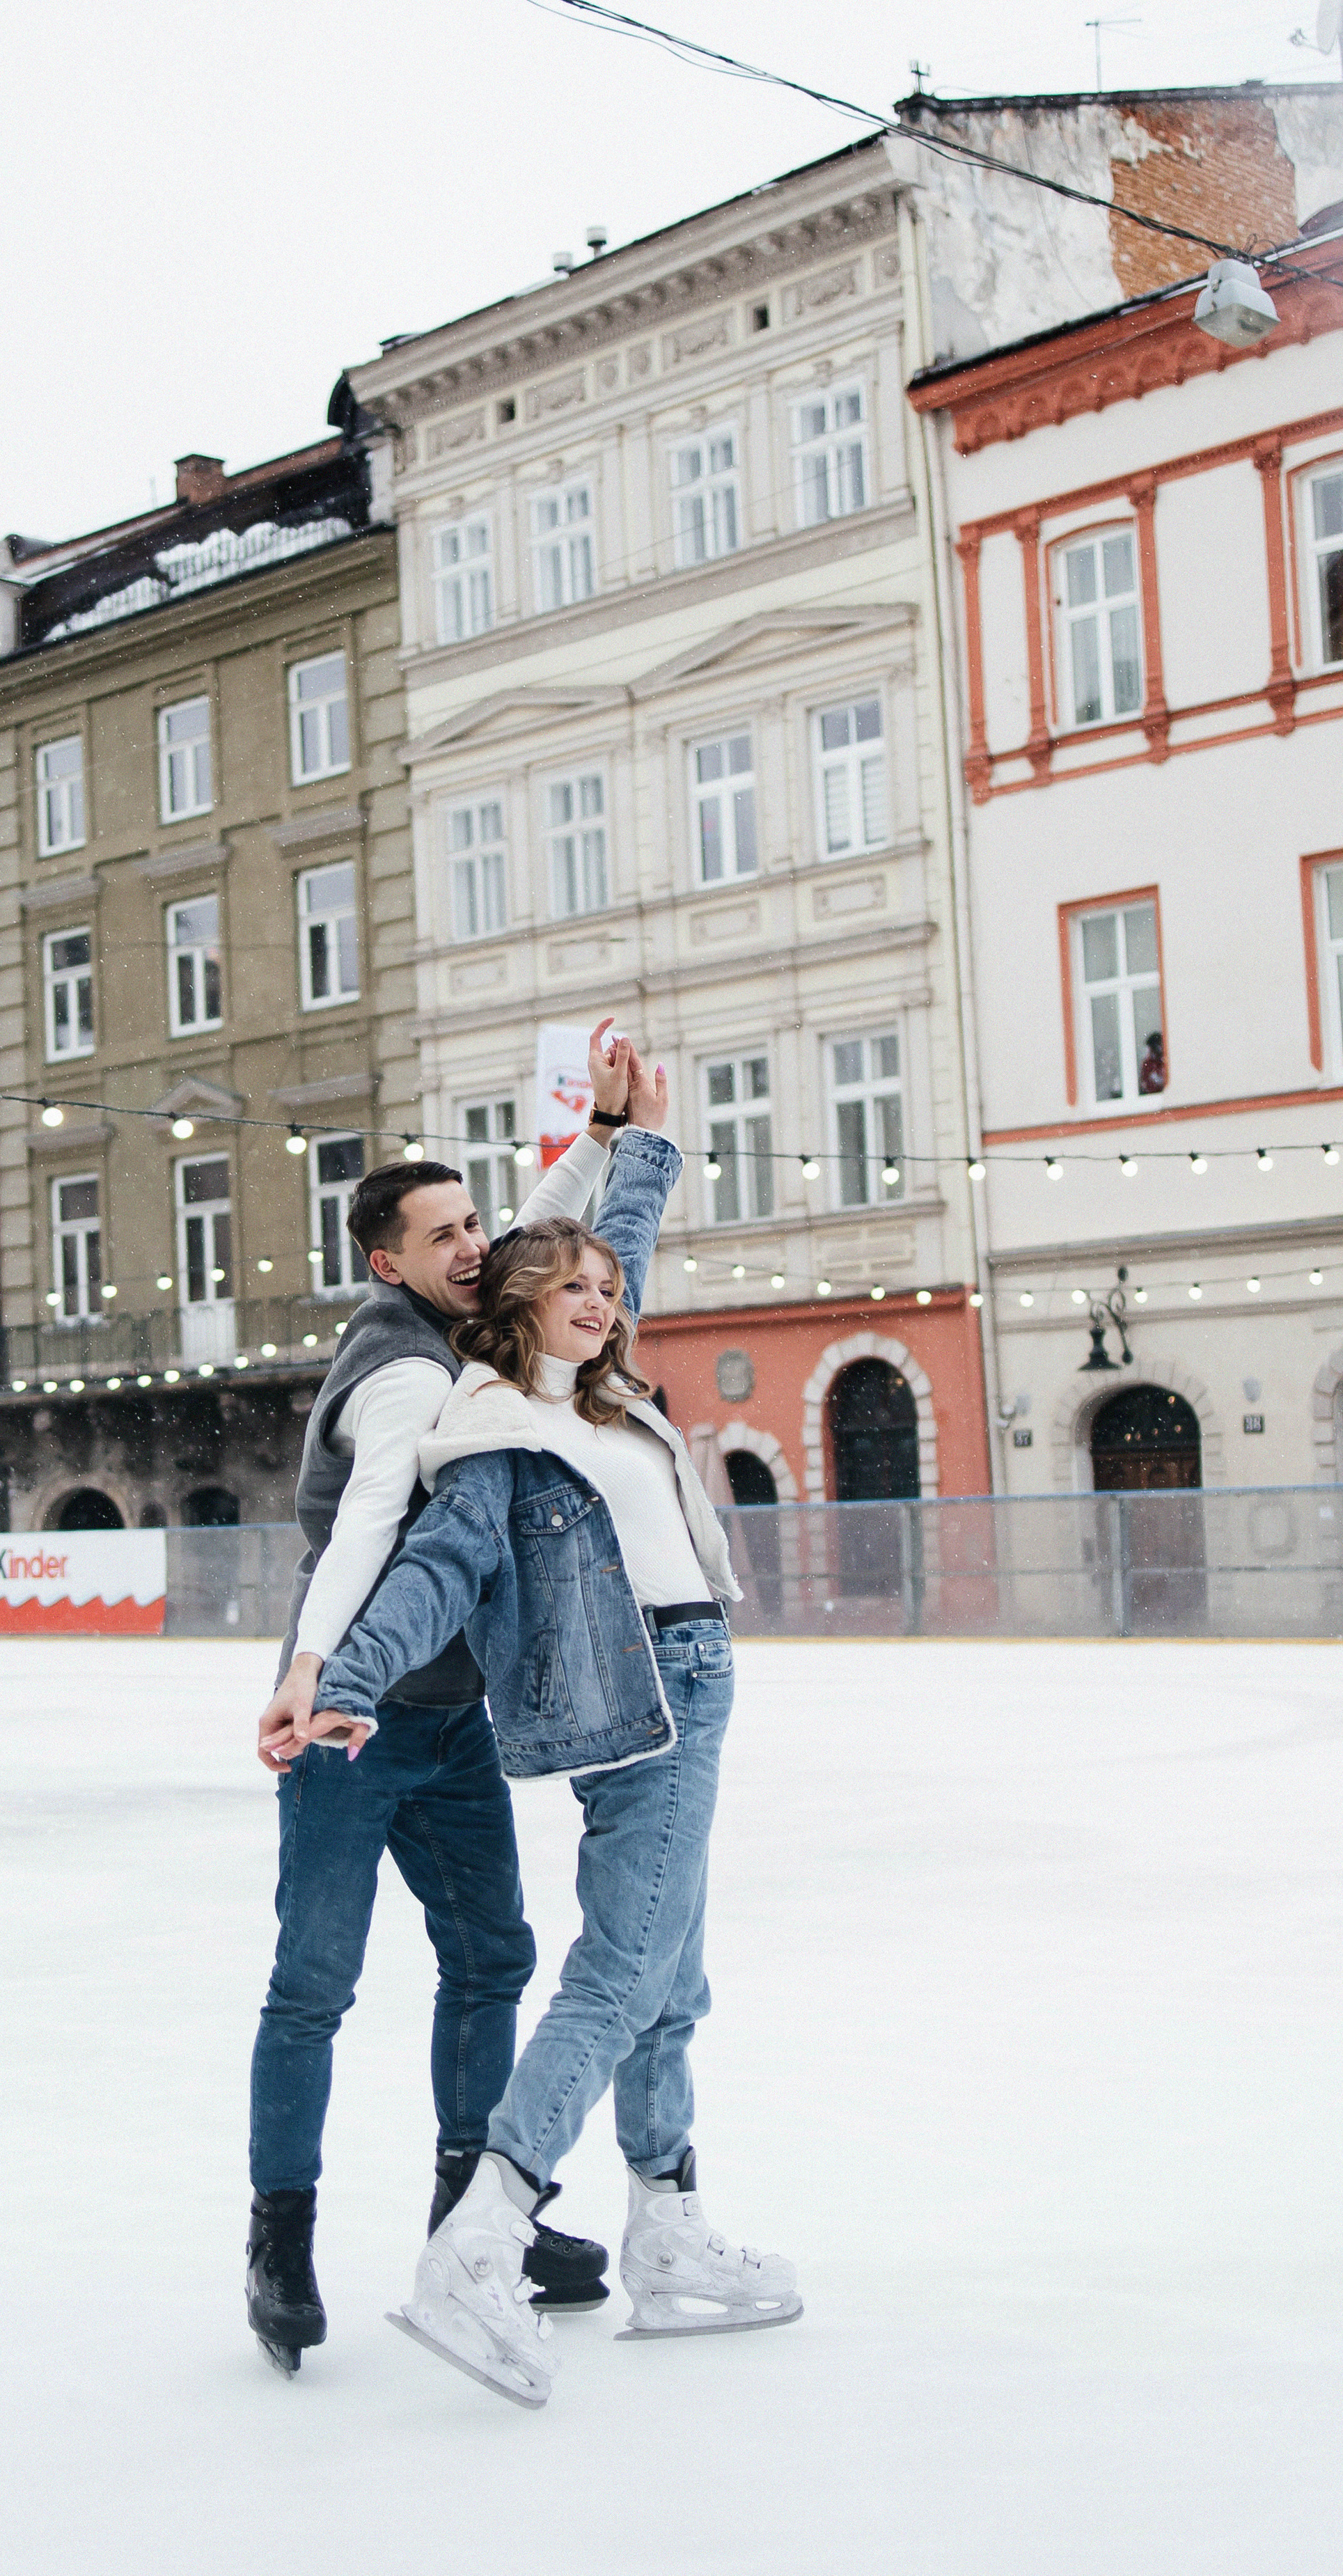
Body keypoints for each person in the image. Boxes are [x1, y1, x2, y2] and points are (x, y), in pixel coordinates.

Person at [288, 1208, 801, 2408]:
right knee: (621, 1975)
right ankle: (487, 2229)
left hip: (694, 1681)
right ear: (517, 1300)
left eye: (611, 1285)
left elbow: (611, 1231)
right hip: (647, 1700)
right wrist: (347, 1675)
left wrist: (638, 1144)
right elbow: (439, 1568)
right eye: (572, 1284)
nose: (602, 1297)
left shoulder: (603, 1394)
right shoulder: (499, 1424)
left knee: (671, 1978)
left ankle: (668, 2228)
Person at [244, 1021, 680, 2375]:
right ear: (387, 1261)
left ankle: (462, 2214)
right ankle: (279, 2235)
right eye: (443, 1236)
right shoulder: (403, 1374)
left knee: (491, 1956)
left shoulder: (459, 1318)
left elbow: (531, 1232)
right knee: (313, 1983)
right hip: (353, 1723)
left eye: (472, 1225)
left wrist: (604, 1142)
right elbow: (368, 1533)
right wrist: (312, 1677)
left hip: (447, 1726)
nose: (471, 1247)